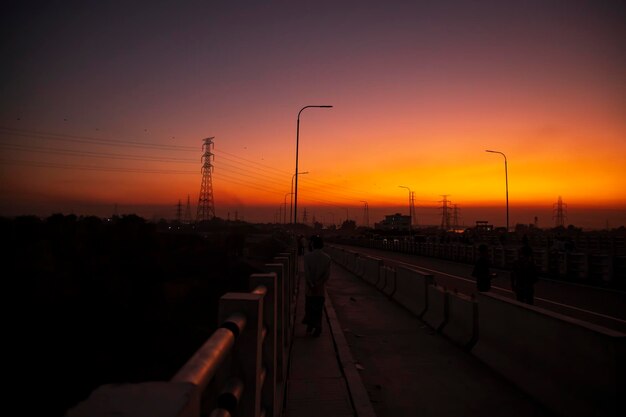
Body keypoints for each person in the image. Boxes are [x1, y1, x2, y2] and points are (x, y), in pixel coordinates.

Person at [302, 235, 331, 337]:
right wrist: (318, 285)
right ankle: (318, 328)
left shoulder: (307, 257)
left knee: (309, 308)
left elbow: (307, 273)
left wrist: (311, 284)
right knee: (318, 310)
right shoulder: (327, 258)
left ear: (312, 244)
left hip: (310, 289)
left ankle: (310, 327)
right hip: (320, 290)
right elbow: (326, 276)